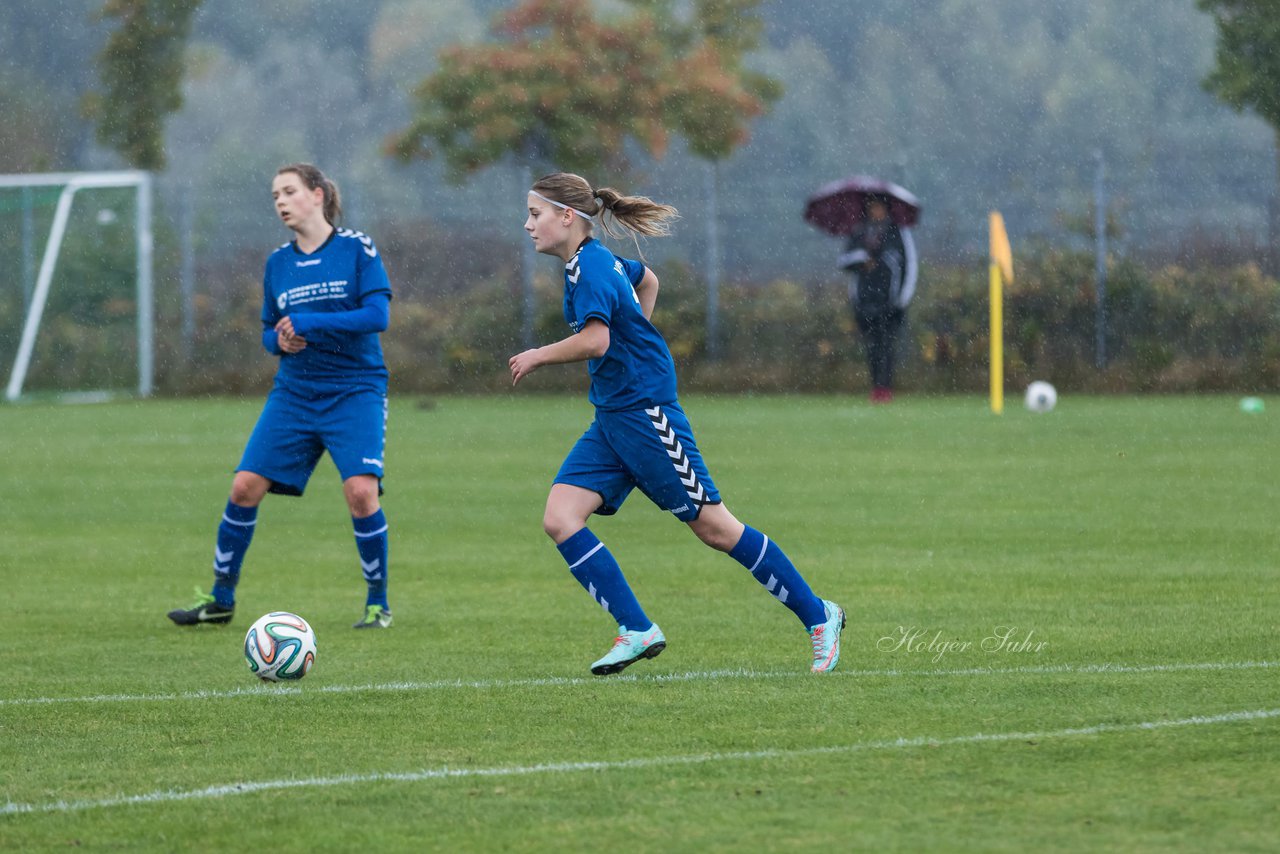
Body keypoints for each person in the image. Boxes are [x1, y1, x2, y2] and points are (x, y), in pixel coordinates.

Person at [509, 172, 845, 676]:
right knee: (560, 517)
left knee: (715, 528)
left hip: (647, 415)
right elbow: (648, 280)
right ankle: (637, 630)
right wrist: (637, 332)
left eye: (535, 214)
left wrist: (538, 355)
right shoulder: (588, 265)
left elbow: (596, 342)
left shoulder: (593, 268)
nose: (528, 224)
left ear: (566, 216)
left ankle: (820, 616)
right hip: (613, 418)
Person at [167, 163, 395, 630]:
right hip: (294, 392)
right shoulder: (278, 262)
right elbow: (269, 333)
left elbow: (377, 316)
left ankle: (377, 604)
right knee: (244, 487)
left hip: (354, 391)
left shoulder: (356, 248)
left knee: (361, 493)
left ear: (316, 194)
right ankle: (221, 599)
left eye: (289, 191)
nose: (281, 202)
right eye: (275, 196)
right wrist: (281, 342)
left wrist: (311, 324)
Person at [840, 195, 918, 403]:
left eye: (879, 207)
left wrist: (902, 298)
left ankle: (886, 388)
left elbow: (908, 265)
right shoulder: (859, 232)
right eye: (872, 208)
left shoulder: (897, 232)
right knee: (872, 346)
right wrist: (863, 261)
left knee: (887, 345)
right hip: (865, 301)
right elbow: (845, 260)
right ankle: (876, 387)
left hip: (890, 302)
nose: (876, 212)